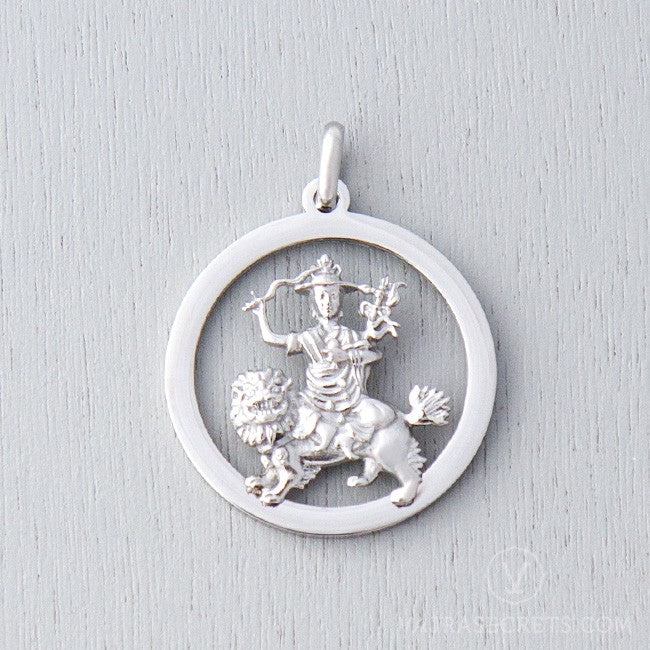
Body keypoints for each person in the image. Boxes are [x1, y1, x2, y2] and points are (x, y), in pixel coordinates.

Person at [248, 255, 396, 458]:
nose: (328, 302)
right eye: (322, 297)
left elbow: (373, 354)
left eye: (333, 296)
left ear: (340, 301)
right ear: (313, 304)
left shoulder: (351, 336)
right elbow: (271, 338)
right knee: (293, 413)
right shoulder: (308, 337)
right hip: (315, 400)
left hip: (350, 399)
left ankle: (347, 436)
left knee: (380, 415)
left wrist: (346, 356)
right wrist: (261, 314)